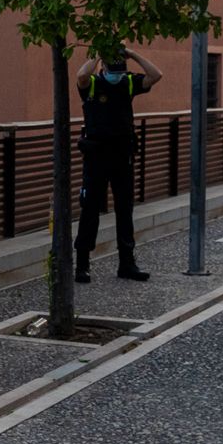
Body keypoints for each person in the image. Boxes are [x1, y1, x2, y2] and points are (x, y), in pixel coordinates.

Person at [73, 45, 162, 283]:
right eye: (113, 69)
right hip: (96, 157)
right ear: (103, 66)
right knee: (90, 209)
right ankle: (82, 264)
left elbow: (156, 75)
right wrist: (97, 54)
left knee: (125, 210)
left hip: (122, 155)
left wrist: (132, 54)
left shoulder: (128, 82)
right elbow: (80, 76)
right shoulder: (92, 83)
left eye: (120, 69)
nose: (117, 74)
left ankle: (127, 263)